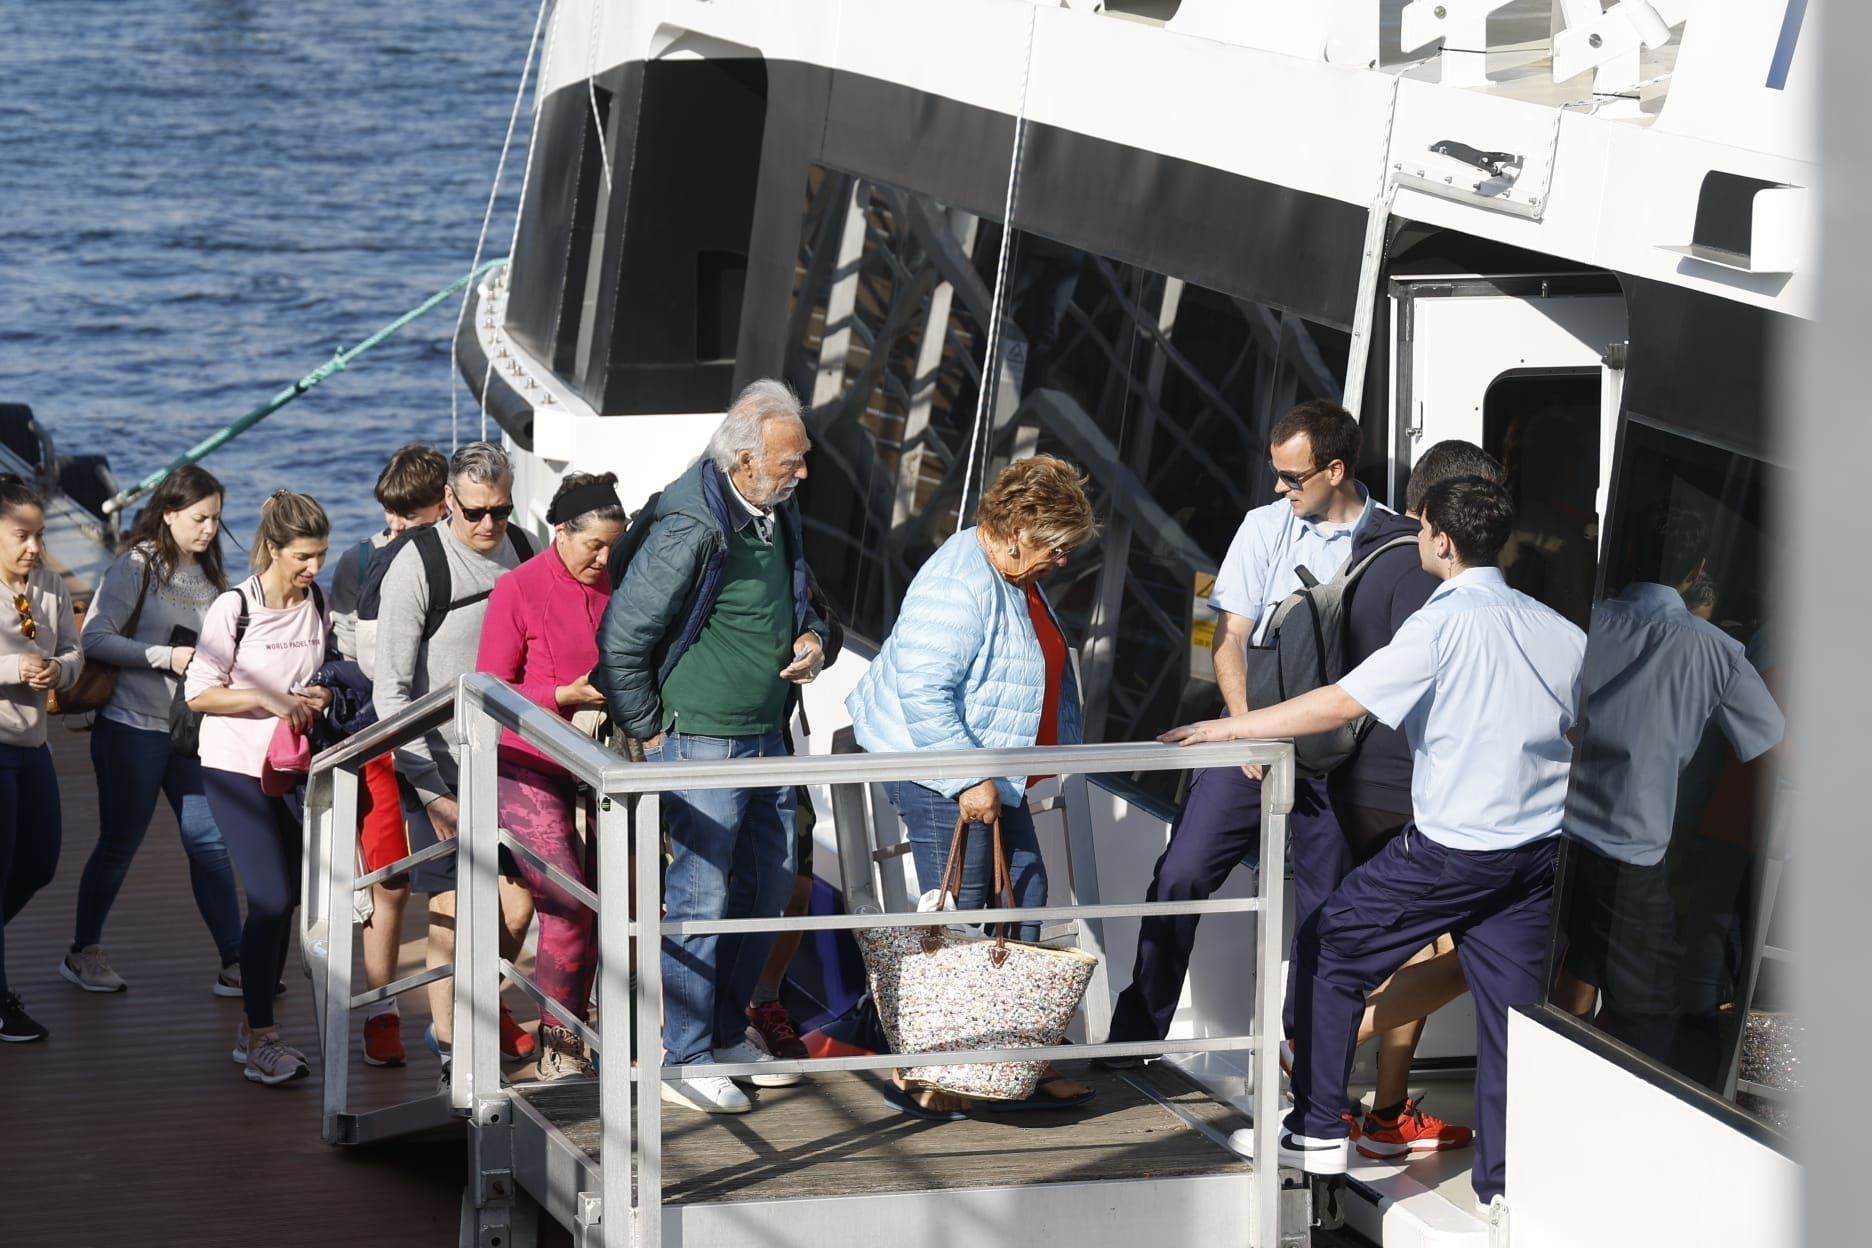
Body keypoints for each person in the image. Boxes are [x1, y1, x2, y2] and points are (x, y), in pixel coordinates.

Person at [1163, 476, 1586, 1210]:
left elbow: (1341, 703)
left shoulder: (1442, 622)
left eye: (1421, 529)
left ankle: (1317, 1128)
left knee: (1329, 947)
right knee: (1512, 1018)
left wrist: (1229, 726)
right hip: (1538, 855)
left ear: (1443, 542)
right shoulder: (1560, 630)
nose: (1417, 537)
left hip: (1454, 850)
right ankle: (1503, 1190)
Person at [1106, 401, 1379, 1052]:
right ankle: (1135, 1038)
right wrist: (1248, 728)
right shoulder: (1264, 527)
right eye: (1276, 474)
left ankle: (1303, 1059)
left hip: (1337, 753)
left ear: (1335, 470)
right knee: (1180, 874)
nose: (1279, 489)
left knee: (1324, 908)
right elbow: (1227, 639)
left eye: (1292, 477)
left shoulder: (1386, 542)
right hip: (1250, 732)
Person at [595, 379, 829, 1115]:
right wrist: (648, 728)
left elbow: (807, 600)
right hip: (699, 739)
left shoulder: (776, 510)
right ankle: (687, 1056)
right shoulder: (691, 528)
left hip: (767, 733)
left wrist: (816, 639)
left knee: (768, 885)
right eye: (790, 461)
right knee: (701, 894)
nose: (802, 473)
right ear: (745, 461)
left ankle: (726, 1035)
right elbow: (621, 639)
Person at [846, 453, 1099, 1119]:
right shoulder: (960, 584)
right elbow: (925, 692)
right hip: (938, 768)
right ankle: (925, 1073)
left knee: (1025, 890)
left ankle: (1013, 1057)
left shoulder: (1008, 570)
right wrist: (968, 777)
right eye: (1055, 547)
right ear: (1016, 532)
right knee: (957, 917)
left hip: (988, 769)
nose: (1062, 561)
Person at [1309, 440, 1510, 1160]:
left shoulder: (1375, 557)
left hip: (1365, 780)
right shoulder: (1437, 583)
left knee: (1424, 948)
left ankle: (1379, 1105)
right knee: (1441, 951)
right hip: (1413, 792)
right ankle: (1350, 1079)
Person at [1554, 508, 1783, 1063]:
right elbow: (1773, 740)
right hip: (1628, 852)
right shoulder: (1715, 649)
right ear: (1697, 568)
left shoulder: (1588, 622)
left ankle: (1556, 1074)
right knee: (1651, 1010)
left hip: (1558, 835)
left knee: (1579, 972)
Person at [373, 441, 537, 1079]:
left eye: (501, 509)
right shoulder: (417, 565)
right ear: (448, 502)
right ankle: (451, 1048)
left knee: (518, 906)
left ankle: (473, 1008)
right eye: (475, 512)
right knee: (450, 905)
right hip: (436, 764)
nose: (489, 524)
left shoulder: (523, 547)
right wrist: (431, 789)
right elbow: (391, 691)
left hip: (511, 759)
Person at [62, 466, 243, 997]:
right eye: (199, 518)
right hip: (131, 728)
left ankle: (236, 961)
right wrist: (168, 656)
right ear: (169, 514)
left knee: (209, 843)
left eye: (216, 518)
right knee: (119, 844)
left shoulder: (210, 574)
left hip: (187, 732)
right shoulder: (136, 566)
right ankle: (82, 951)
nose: (209, 529)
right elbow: (95, 638)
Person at [476, 471, 625, 1080]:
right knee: (565, 906)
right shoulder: (517, 588)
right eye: (594, 546)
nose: (605, 559)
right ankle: (559, 1045)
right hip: (528, 761)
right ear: (560, 532)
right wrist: (563, 695)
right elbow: (488, 687)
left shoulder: (619, 581)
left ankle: (599, 1033)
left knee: (616, 906)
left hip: (605, 761)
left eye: (613, 546)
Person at [185, 490, 334, 1083]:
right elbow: (199, 693)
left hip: (291, 767)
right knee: (270, 898)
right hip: (234, 767)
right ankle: (263, 1038)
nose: (313, 567)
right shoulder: (235, 607)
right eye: (303, 556)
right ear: (272, 548)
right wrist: (267, 698)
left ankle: (253, 1030)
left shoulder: (317, 599)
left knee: (287, 899)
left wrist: (322, 692)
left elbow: (323, 668)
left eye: (320, 555)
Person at [328, 443, 449, 1068]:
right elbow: (347, 652)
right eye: (389, 514)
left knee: (459, 879)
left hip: (447, 738)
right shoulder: (358, 561)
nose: (395, 526)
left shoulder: (460, 554)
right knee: (389, 880)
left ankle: (473, 1001)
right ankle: (381, 1010)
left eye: (411, 516)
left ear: (444, 505)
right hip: (380, 741)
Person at [0, 476, 83, 1043]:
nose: (34, 547)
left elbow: (75, 652)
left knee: (40, 862)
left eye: (40, 535)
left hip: (35, 745)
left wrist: (60, 670)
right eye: (21, 535)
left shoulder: (49, 585)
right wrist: (14, 668)